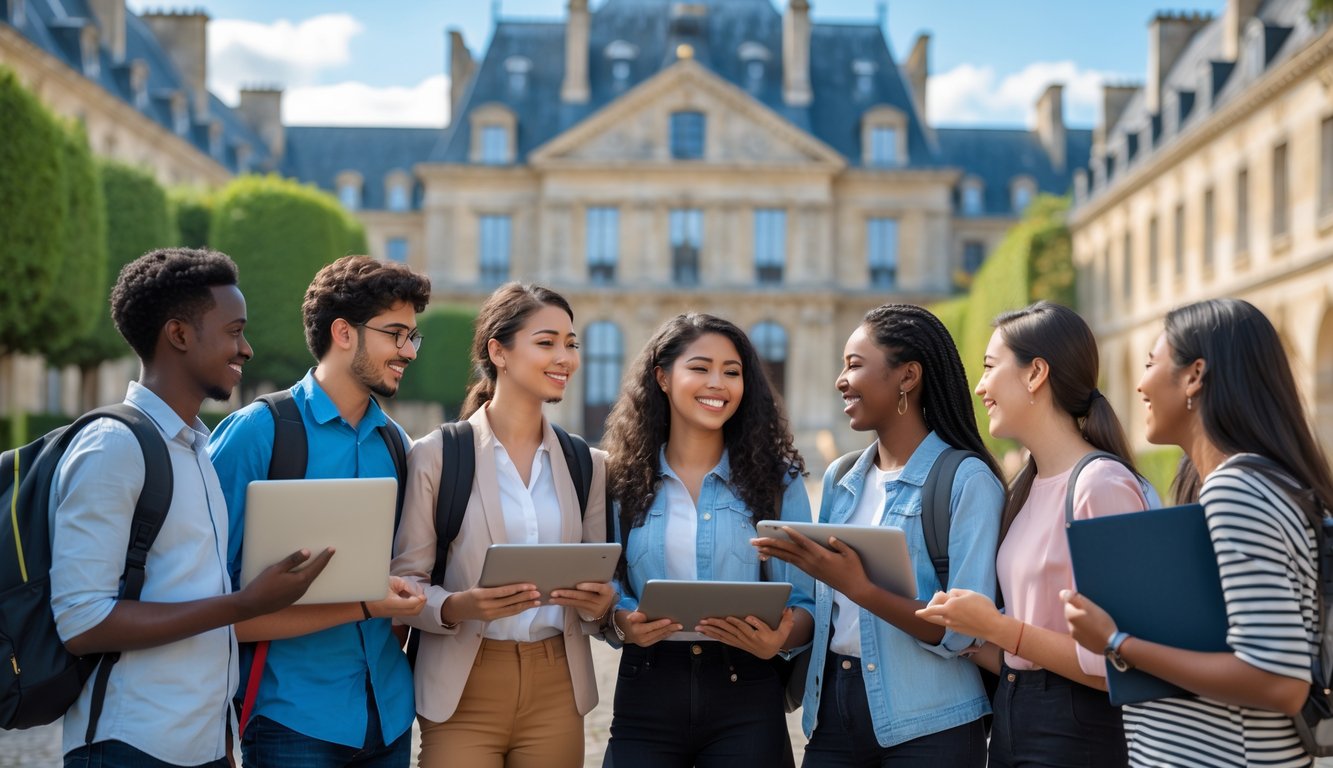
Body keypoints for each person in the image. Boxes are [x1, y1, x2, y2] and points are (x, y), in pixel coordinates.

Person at [50, 248, 332, 768]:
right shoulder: (114, 446)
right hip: (129, 746)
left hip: (201, 744)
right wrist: (245, 604)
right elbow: (82, 622)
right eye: (233, 331)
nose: (245, 349)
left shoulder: (196, 447)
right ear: (178, 335)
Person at [1063, 298, 1331, 768]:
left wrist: (1115, 642)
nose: (1140, 384)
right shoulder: (1255, 482)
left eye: (1150, 364)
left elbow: (1278, 681)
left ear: (1194, 375)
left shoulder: (1236, 489)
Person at [755, 303, 1005, 767]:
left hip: (933, 720)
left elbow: (964, 629)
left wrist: (859, 588)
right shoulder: (841, 477)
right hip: (833, 713)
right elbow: (822, 611)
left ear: (907, 376)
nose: (840, 380)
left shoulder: (967, 481)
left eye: (854, 365)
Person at [208, 255, 431, 767]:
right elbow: (210, 606)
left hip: (391, 715)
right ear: (343, 332)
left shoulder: (397, 445)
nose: (409, 352)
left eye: (412, 337)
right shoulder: (258, 433)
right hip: (291, 721)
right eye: (396, 334)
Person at [392, 282, 617, 768]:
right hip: (463, 682)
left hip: (558, 685)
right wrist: (456, 606)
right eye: (546, 342)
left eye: (571, 343)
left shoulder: (588, 464)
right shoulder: (437, 455)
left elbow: (600, 585)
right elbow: (404, 585)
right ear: (499, 351)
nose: (565, 357)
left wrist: (601, 604)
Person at [916, 301, 1149, 767]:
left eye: (988, 368)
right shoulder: (1024, 487)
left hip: (1074, 730)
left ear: (1034, 374)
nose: (980, 387)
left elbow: (1118, 664)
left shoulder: (1101, 485)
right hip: (1014, 714)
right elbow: (1026, 647)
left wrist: (995, 627)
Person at [598, 313, 815, 767]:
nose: (717, 383)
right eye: (700, 368)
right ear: (662, 376)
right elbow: (608, 584)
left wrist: (780, 639)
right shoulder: (617, 479)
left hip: (749, 690)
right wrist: (621, 621)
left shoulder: (779, 481)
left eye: (732, 372)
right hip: (646, 688)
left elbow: (807, 600)